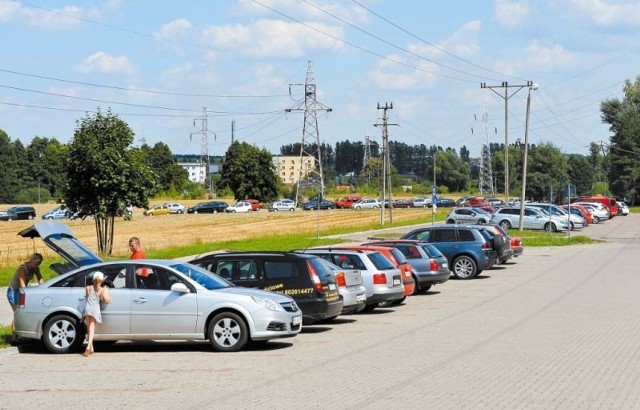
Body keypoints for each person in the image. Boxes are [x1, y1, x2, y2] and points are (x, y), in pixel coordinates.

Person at [7, 253, 43, 335]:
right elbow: (22, 285)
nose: (38, 265)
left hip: (22, 292)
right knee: (18, 314)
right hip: (14, 291)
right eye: (37, 263)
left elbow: (40, 279)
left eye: (39, 263)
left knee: (21, 314)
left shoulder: (36, 268)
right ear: (32, 261)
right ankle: (14, 335)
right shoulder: (22, 269)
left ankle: (18, 335)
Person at [83, 271, 111, 357]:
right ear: (102, 280)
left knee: (89, 329)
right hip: (95, 309)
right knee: (92, 329)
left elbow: (87, 297)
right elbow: (107, 301)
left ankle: (91, 347)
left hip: (87, 308)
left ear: (93, 279)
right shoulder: (102, 290)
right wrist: (106, 291)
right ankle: (88, 347)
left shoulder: (88, 287)